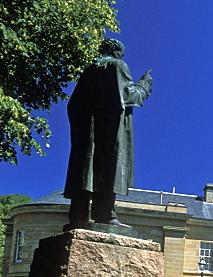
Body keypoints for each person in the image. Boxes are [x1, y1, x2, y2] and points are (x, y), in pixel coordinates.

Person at [65, 38, 152, 227]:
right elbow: (129, 96)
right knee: (110, 167)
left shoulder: (88, 72)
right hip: (110, 133)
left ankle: (78, 215)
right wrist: (144, 85)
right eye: (121, 52)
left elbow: (72, 105)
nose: (123, 56)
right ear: (114, 50)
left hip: (86, 134)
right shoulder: (116, 65)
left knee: (86, 169)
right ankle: (105, 214)